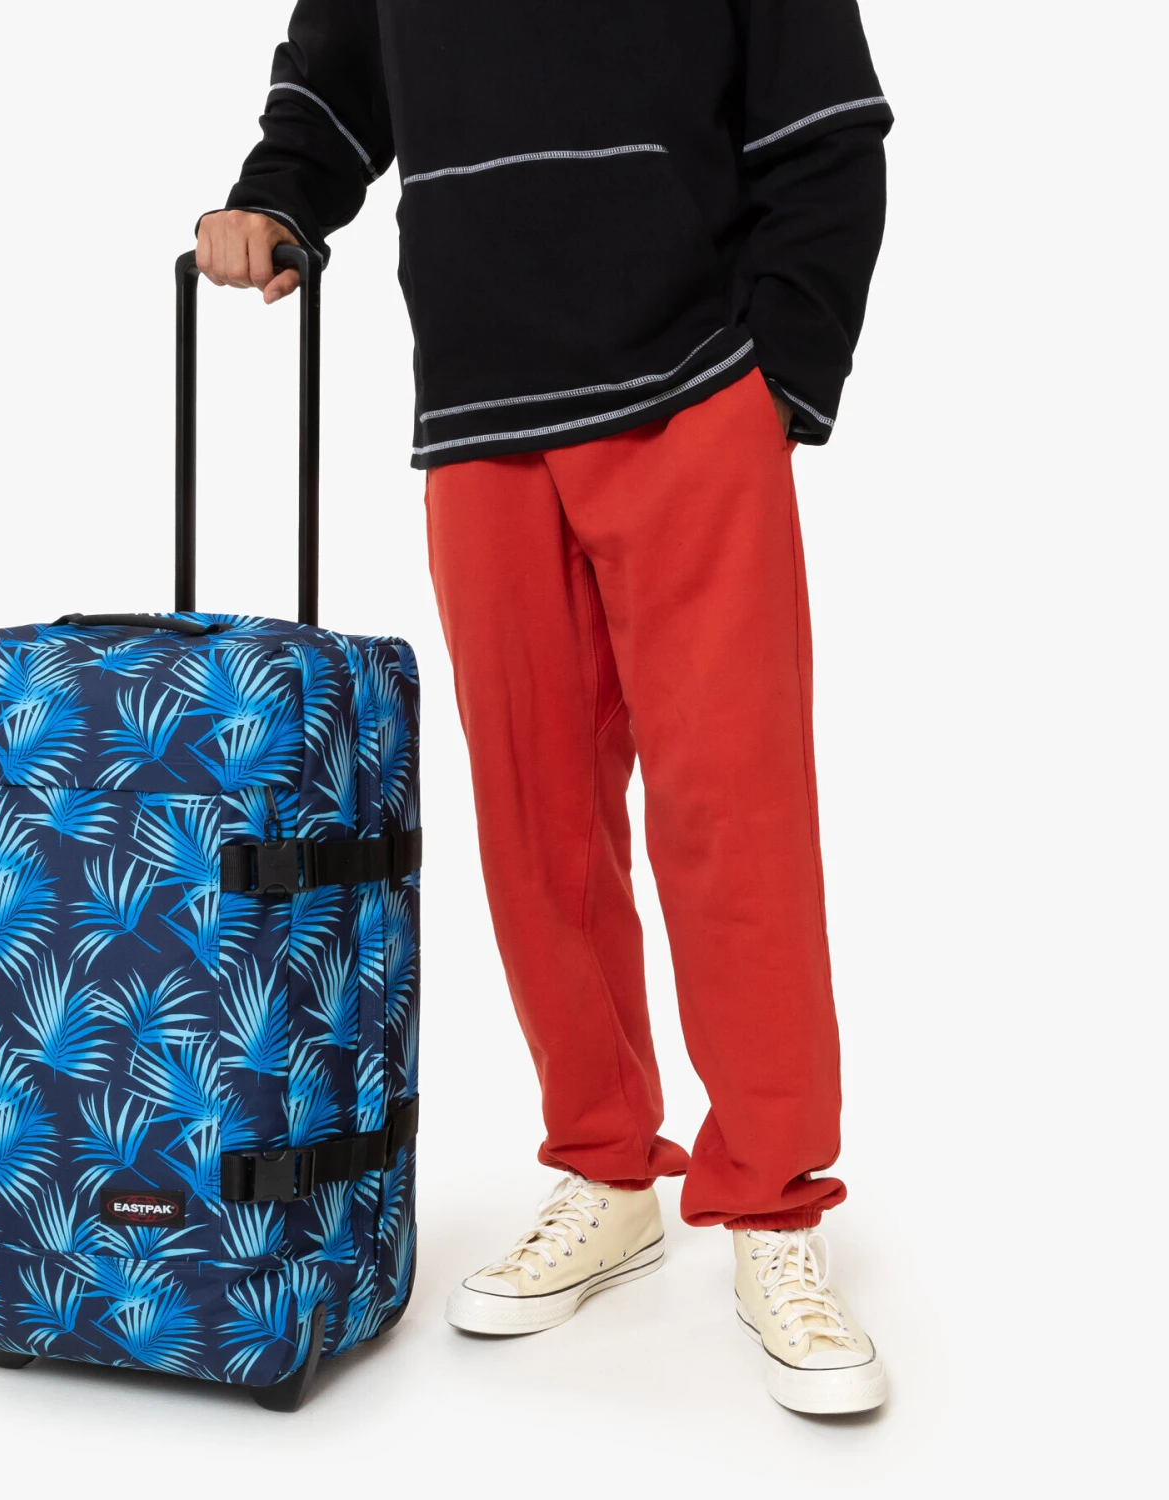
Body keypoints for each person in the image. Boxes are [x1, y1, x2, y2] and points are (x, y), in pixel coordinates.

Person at [197, 1, 892, 1415]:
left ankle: (773, 1206)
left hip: (693, 397)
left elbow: (828, 126)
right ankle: (605, 1168)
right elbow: (334, 76)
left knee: (734, 817)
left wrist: (781, 380)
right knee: (538, 826)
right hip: (482, 416)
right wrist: (278, 195)